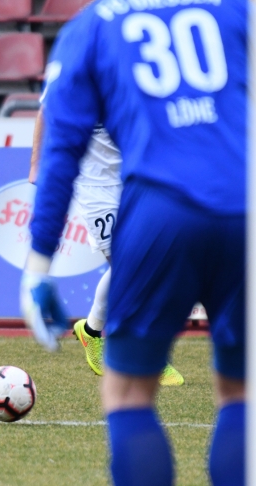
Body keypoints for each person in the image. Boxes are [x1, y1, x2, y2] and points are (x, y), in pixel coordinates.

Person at [20, 0, 249, 486]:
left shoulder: (93, 25)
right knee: (242, 395)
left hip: (158, 211)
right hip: (246, 210)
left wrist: (38, 265)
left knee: (128, 397)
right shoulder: (236, 12)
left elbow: (60, 152)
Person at [28, 106, 188, 386]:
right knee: (134, 269)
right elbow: (46, 109)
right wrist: (35, 165)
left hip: (135, 179)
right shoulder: (84, 70)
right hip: (96, 189)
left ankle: (91, 331)